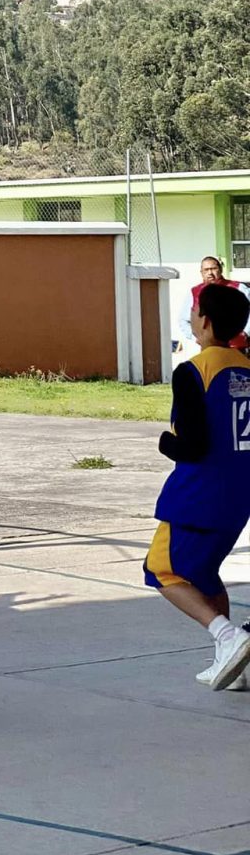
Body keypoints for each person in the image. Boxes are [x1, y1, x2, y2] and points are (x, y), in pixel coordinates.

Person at [145, 282, 250, 691]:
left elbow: (193, 445)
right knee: (204, 574)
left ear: (205, 322)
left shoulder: (194, 370)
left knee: (161, 569)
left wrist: (164, 442)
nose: (190, 316)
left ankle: (228, 637)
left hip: (199, 491)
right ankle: (235, 664)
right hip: (239, 491)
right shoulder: (244, 366)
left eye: (192, 309)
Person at [175, 257, 249, 354]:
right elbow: (183, 320)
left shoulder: (239, 288)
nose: (210, 273)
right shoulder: (194, 292)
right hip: (208, 351)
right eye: (206, 270)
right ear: (201, 272)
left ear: (221, 269)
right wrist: (197, 338)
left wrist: (245, 333)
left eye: (213, 269)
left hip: (238, 348)